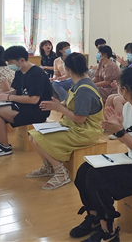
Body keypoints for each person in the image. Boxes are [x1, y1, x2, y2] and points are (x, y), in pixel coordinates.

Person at [69, 62, 132, 242]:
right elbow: (127, 139)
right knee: (84, 170)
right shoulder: (128, 107)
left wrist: (119, 132)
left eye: (118, 85)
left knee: (96, 178)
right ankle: (95, 218)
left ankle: (109, 231)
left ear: (125, 89)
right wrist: (116, 127)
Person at [28, 52, 104, 190]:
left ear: (67, 69)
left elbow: (80, 119)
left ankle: (60, 172)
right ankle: (49, 166)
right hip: (73, 126)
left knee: (39, 139)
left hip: (85, 131)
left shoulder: (84, 89)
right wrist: (59, 104)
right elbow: (73, 104)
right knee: (32, 136)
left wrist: (59, 108)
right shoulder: (80, 83)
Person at [0, 46, 53, 158]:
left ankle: (4, 146)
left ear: (21, 60)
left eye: (10, 62)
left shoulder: (36, 73)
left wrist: (8, 97)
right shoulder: (20, 71)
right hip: (23, 105)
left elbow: (34, 99)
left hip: (37, 110)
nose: (9, 65)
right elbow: (16, 90)